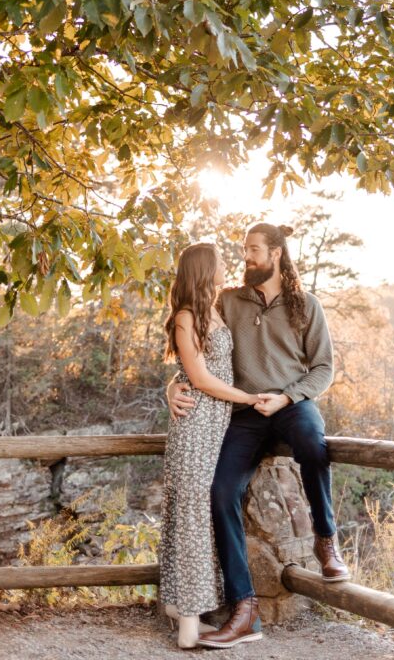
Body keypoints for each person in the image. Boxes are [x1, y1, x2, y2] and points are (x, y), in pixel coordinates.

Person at [167, 222, 349, 649]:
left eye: (253, 250)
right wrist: (172, 387)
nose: (246, 257)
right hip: (244, 412)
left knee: (312, 445)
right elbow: (194, 351)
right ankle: (244, 608)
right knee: (220, 491)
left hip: (290, 405)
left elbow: (324, 368)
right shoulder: (227, 301)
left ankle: (326, 541)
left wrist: (287, 398)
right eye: (244, 250)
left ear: (276, 254)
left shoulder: (306, 305)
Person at [159, 242, 266, 650]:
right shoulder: (186, 317)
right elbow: (199, 379)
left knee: (195, 516)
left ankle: (182, 611)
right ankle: (188, 625)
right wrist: (248, 398)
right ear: (205, 270)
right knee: (188, 517)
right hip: (196, 428)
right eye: (221, 262)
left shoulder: (216, 309)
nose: (227, 266)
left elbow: (188, 371)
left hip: (214, 427)